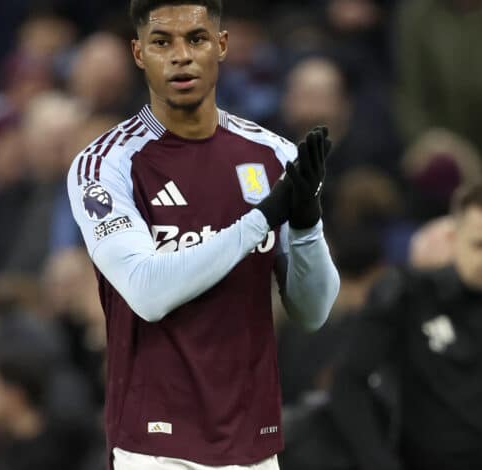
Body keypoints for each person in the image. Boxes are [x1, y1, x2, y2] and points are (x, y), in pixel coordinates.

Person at [66, 1, 340, 468]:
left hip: (254, 444)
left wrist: (306, 223)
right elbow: (149, 291)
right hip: (156, 447)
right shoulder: (105, 165)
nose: (180, 56)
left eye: (195, 39)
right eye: (161, 42)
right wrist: (261, 218)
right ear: (138, 53)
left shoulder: (272, 154)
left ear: (222, 45)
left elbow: (313, 311)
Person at [330, 180, 482, 470]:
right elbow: (347, 383)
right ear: (454, 237)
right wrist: (379, 463)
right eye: (481, 244)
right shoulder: (407, 296)